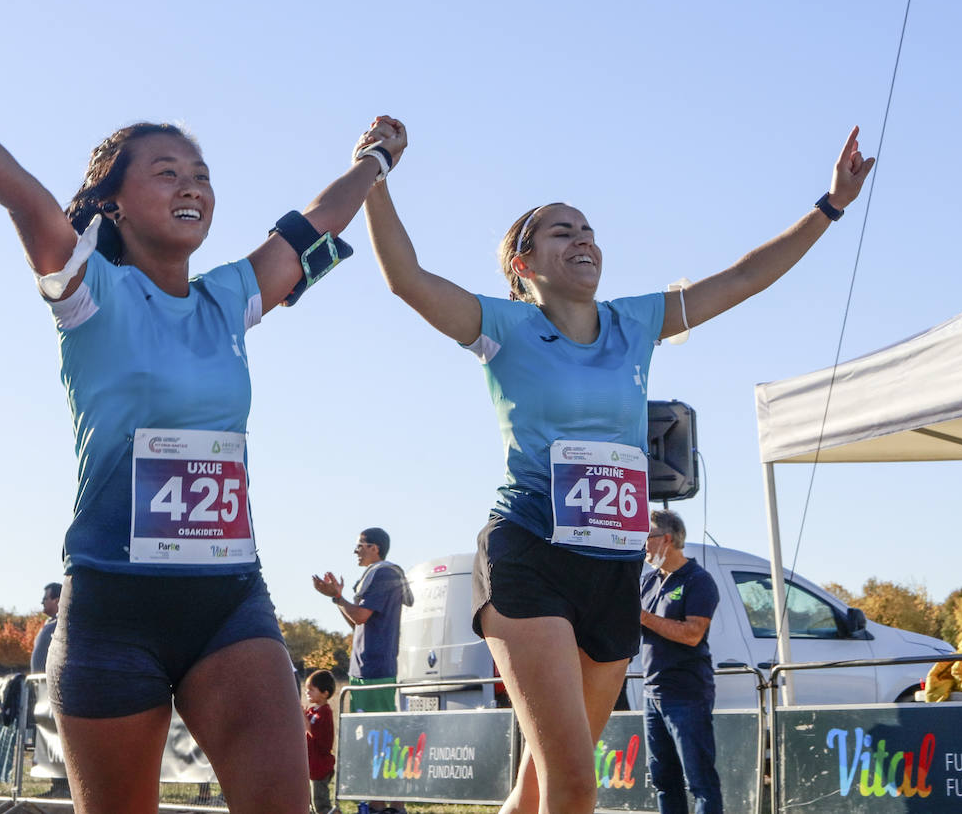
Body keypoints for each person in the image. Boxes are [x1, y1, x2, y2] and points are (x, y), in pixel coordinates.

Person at [0, 0, 406, 814]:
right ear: (116, 202)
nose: (192, 184)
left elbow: (318, 220)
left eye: (200, 173)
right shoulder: (88, 293)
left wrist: (377, 158)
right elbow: (24, 196)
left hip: (229, 601)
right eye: (167, 171)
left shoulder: (231, 296)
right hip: (112, 608)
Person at [361, 126, 873, 813]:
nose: (583, 239)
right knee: (576, 785)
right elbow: (407, 280)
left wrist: (831, 205)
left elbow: (746, 277)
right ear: (523, 262)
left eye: (589, 230)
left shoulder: (635, 322)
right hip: (530, 551)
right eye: (561, 231)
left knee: (542, 785)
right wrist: (374, 175)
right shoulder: (501, 328)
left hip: (612, 568)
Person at [640, 509, 722, 814]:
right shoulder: (648, 582)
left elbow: (692, 634)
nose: (643, 545)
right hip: (652, 693)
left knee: (700, 781)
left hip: (686, 694)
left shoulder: (699, 580)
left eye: (646, 537)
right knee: (663, 779)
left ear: (667, 539)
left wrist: (644, 618)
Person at [312, 528, 413, 713]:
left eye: (359, 546)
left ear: (374, 548)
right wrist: (337, 598)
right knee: (363, 734)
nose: (355, 551)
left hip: (376, 670)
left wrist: (337, 596)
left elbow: (359, 616)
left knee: (379, 735)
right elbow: (356, 623)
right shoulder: (372, 575)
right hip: (362, 669)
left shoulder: (384, 573)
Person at [303, 670, 338, 814]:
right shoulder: (311, 712)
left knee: (321, 804)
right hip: (311, 767)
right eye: (307, 690)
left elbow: (314, 732)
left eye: (311, 689)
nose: (307, 693)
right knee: (309, 804)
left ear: (325, 693)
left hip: (320, 768)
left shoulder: (324, 713)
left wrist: (303, 719)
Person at [29, 582, 61, 674]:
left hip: (53, 684)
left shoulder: (64, 625)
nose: (42, 602)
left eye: (45, 599)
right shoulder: (48, 624)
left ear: (57, 600)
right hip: (39, 684)